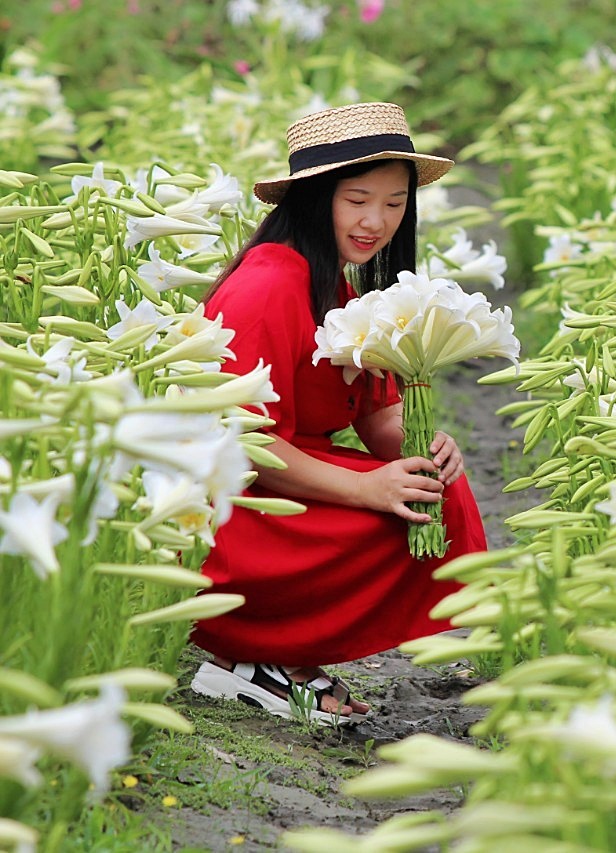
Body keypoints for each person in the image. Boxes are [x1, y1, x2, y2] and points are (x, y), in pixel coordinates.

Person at [188, 102, 488, 725]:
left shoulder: (336, 283)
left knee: (436, 493)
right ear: (315, 196)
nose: (376, 220)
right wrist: (364, 488)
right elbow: (245, 444)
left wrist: (424, 442)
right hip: (223, 509)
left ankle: (286, 656)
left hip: (274, 491)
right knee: (389, 511)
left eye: (395, 203)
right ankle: (242, 651)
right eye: (357, 199)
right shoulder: (269, 282)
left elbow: (378, 415)